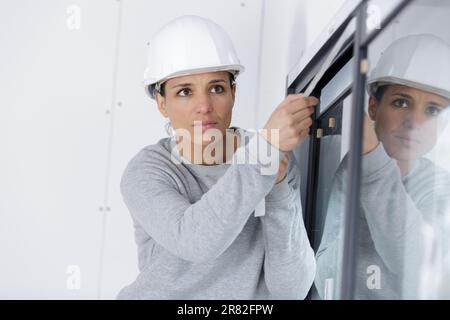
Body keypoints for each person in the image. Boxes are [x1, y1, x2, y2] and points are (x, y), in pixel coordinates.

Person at [117, 15, 318, 299]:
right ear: (162, 103)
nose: (204, 106)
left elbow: (290, 290)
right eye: (185, 91)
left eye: (216, 88)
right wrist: (263, 154)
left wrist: (277, 191)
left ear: (233, 93)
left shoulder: (269, 156)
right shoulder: (148, 171)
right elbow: (196, 242)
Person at [315, 34, 450, 299]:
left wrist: (373, 164)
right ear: (373, 107)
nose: (414, 121)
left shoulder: (441, 189)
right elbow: (325, 278)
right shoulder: (351, 170)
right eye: (401, 102)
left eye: (433, 110)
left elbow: (421, 271)